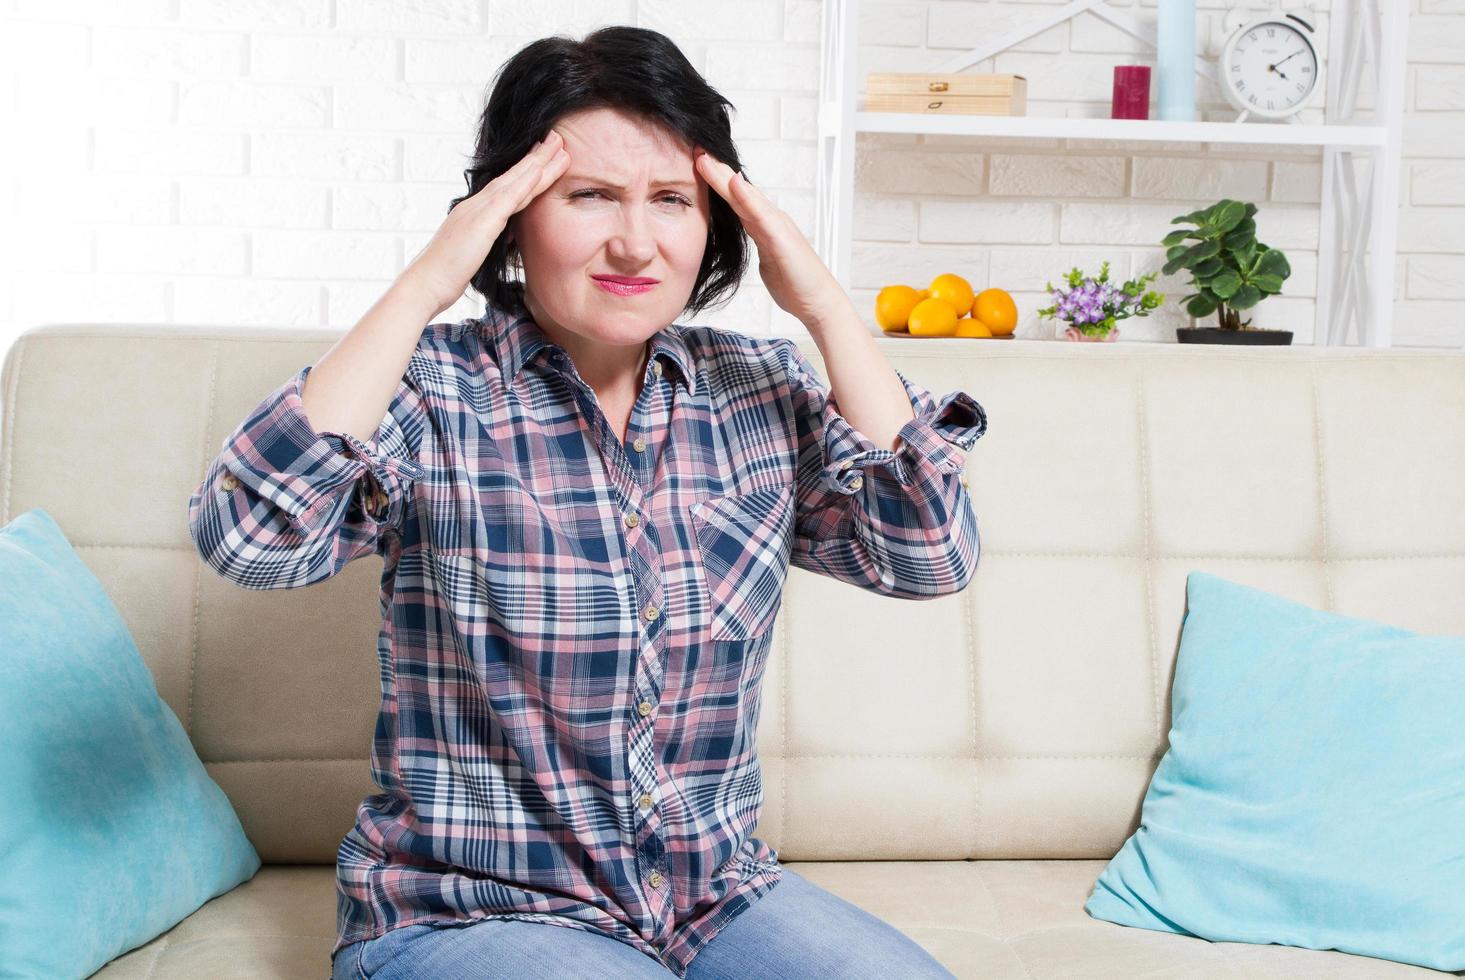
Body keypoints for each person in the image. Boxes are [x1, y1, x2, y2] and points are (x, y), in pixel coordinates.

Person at [186, 24, 985, 980]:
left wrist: (822, 308)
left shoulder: (761, 390)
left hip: (713, 896)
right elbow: (249, 541)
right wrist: (427, 283)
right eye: (589, 195)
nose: (634, 242)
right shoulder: (431, 391)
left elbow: (927, 556)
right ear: (511, 213)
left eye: (672, 200)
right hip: (469, 913)